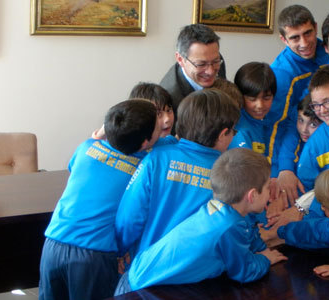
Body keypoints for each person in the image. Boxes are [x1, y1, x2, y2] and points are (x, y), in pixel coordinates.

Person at [113, 148, 287, 294]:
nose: (269, 194)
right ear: (252, 195)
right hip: (141, 290)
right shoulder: (228, 226)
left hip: (138, 276)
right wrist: (265, 259)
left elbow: (249, 232)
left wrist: (261, 247)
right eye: (266, 188)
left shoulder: (222, 208)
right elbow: (245, 271)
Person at [39, 99, 159, 300]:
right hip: (94, 255)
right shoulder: (143, 167)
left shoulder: (86, 148)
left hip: (53, 244)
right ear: (146, 142)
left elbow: (75, 165)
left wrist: (106, 129)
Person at [115, 89, 240, 258]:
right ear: (223, 134)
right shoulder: (229, 175)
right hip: (197, 273)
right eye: (234, 131)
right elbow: (232, 234)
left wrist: (121, 251)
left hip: (146, 268)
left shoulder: (156, 158)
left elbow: (129, 217)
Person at [269, 4, 329, 189]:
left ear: (316, 28)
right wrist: (282, 170)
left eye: (308, 33)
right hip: (299, 145)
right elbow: (278, 125)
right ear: (284, 40)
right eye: (295, 38)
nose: (304, 43)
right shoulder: (281, 74)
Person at [160, 24, 226, 134]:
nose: (210, 71)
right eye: (201, 64)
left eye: (215, 62)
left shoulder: (214, 58)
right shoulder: (171, 99)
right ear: (180, 59)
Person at [92, 82, 176, 142]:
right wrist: (100, 134)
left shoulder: (172, 143)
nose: (167, 119)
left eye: (168, 110)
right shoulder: (128, 145)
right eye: (158, 114)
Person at [228, 62, 275, 155]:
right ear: (240, 96)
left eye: (266, 98)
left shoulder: (273, 121)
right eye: (252, 99)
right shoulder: (239, 131)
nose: (260, 105)